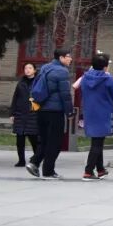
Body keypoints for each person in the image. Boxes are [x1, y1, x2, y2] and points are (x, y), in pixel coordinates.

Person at [26, 47, 73, 180]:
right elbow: (65, 95)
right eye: (68, 56)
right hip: (55, 111)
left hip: (41, 109)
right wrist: (69, 111)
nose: (70, 59)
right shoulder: (62, 71)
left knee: (45, 140)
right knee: (55, 142)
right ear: (61, 58)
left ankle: (34, 162)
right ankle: (48, 171)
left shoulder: (45, 68)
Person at [79, 52, 113, 181]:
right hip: (103, 112)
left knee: (97, 141)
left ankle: (100, 169)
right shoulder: (108, 79)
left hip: (89, 112)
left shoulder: (85, 78)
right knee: (97, 144)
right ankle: (88, 171)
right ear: (105, 66)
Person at [10, 63, 39, 167]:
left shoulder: (39, 82)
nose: (27, 70)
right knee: (20, 139)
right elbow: (15, 98)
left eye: (30, 68)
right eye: (26, 68)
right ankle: (21, 160)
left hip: (33, 114)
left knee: (34, 139)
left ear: (34, 70)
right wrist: (12, 113)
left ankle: (36, 159)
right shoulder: (21, 83)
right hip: (20, 114)